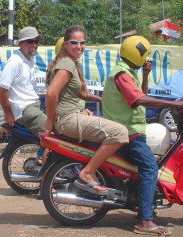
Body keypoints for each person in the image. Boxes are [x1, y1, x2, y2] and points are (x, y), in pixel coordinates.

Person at [102, 36, 183, 236]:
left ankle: (141, 204)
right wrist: (173, 104)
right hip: (128, 132)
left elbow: (140, 94)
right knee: (150, 168)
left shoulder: (128, 72)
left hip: (132, 130)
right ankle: (145, 221)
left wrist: (146, 74)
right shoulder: (122, 74)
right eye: (145, 54)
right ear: (137, 54)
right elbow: (140, 99)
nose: (146, 57)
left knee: (148, 163)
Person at [44, 25, 129, 194]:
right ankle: (88, 172)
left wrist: (103, 101)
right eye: (74, 42)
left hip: (72, 116)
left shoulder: (71, 63)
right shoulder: (67, 64)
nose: (79, 46)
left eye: (82, 42)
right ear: (65, 45)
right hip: (67, 120)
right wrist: (50, 120)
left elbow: (81, 94)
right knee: (120, 133)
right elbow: (51, 93)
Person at [0, 26, 49, 162]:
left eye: (36, 41)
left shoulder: (28, 60)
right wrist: (8, 113)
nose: (34, 45)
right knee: (53, 136)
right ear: (21, 43)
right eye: (30, 41)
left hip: (33, 107)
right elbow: (2, 88)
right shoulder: (15, 62)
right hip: (26, 110)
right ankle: (49, 177)